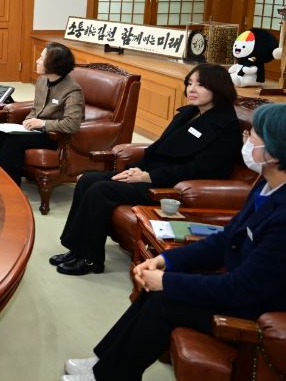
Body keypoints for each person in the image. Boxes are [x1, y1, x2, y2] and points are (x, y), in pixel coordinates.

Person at [60, 102, 286, 381]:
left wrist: (167, 282)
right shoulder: (266, 185)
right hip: (238, 283)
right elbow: (226, 238)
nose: (246, 140)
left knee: (163, 300)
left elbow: (245, 288)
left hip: (257, 305)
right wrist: (167, 260)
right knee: (155, 287)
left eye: (252, 136)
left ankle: (106, 375)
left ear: (273, 152)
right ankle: (103, 363)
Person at [52, 63, 242, 277]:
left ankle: (91, 259)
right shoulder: (189, 113)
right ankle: (77, 249)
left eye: (200, 85)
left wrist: (149, 176)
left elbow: (199, 169)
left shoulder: (226, 128)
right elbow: (158, 148)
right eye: (189, 83)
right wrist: (136, 170)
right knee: (88, 180)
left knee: (101, 190)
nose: (192, 89)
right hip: (150, 174)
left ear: (218, 88)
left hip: (170, 186)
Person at [0, 42, 84, 184]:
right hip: (36, 131)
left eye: (41, 58)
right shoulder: (42, 81)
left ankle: (9, 186)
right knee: (3, 134)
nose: (37, 61)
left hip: (54, 137)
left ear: (54, 63)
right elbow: (36, 108)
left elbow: (72, 124)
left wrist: (42, 123)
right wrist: (28, 121)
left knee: (13, 141)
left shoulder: (72, 90)